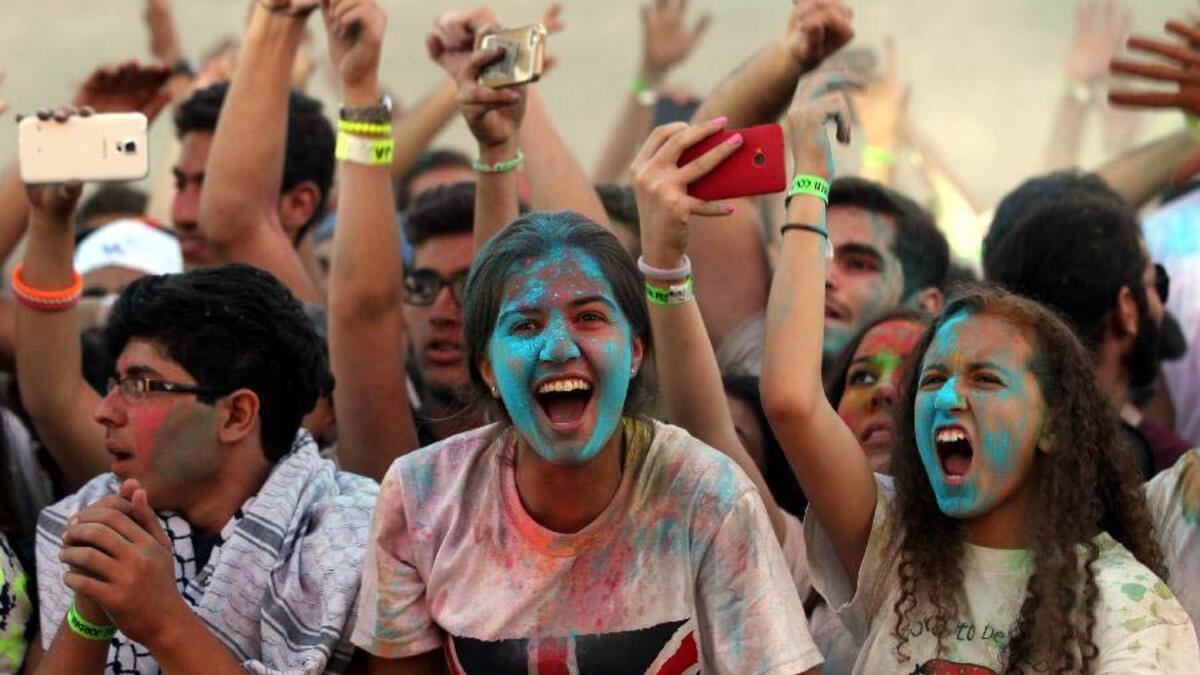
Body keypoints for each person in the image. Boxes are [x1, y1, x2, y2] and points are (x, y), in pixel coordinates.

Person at [761, 87, 1199, 672]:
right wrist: (810, 180)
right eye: (933, 378)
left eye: (986, 379)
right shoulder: (896, 551)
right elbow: (792, 400)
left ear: (1054, 424)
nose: (948, 395)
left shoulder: (1129, 608)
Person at [21, 184, 376, 673]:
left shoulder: (358, 539)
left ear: (235, 416)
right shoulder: (87, 520)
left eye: (142, 385)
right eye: (115, 381)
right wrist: (92, 608)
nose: (104, 411)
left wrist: (162, 621)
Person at [987, 191, 1188, 477]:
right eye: (1155, 284)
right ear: (1127, 308)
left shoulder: (979, 451)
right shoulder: (1173, 480)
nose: (1160, 305)